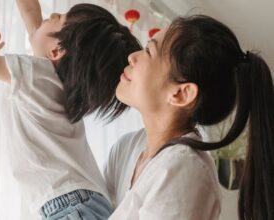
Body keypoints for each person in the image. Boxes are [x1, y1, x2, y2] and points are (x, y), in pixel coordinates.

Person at [0, 1, 141, 219]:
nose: (55, 13)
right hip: (81, 201)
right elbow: (32, 15)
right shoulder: (53, 80)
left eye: (60, 18)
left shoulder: (36, 74)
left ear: (56, 51)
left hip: (70, 205)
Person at [104, 15, 274, 220]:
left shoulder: (184, 170)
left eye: (149, 51)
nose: (132, 56)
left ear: (181, 94)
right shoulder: (127, 147)